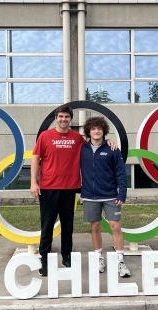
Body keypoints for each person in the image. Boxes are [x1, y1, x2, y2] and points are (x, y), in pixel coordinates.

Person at [30, 105, 116, 277]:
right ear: (56, 118)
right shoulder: (45, 136)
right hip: (48, 188)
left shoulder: (77, 138)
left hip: (70, 189)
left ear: (70, 119)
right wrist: (33, 182)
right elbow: (35, 159)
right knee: (47, 227)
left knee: (67, 226)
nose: (63, 119)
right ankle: (44, 260)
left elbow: (95, 143)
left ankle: (67, 257)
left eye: (66, 117)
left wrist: (109, 142)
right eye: (60, 116)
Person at [80, 116, 131, 277]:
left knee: (115, 226)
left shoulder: (112, 149)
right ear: (89, 131)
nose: (96, 131)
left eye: (99, 129)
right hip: (89, 195)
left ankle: (120, 261)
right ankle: (99, 258)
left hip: (110, 195)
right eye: (93, 129)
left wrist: (122, 193)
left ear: (104, 131)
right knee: (95, 227)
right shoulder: (82, 149)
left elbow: (121, 173)